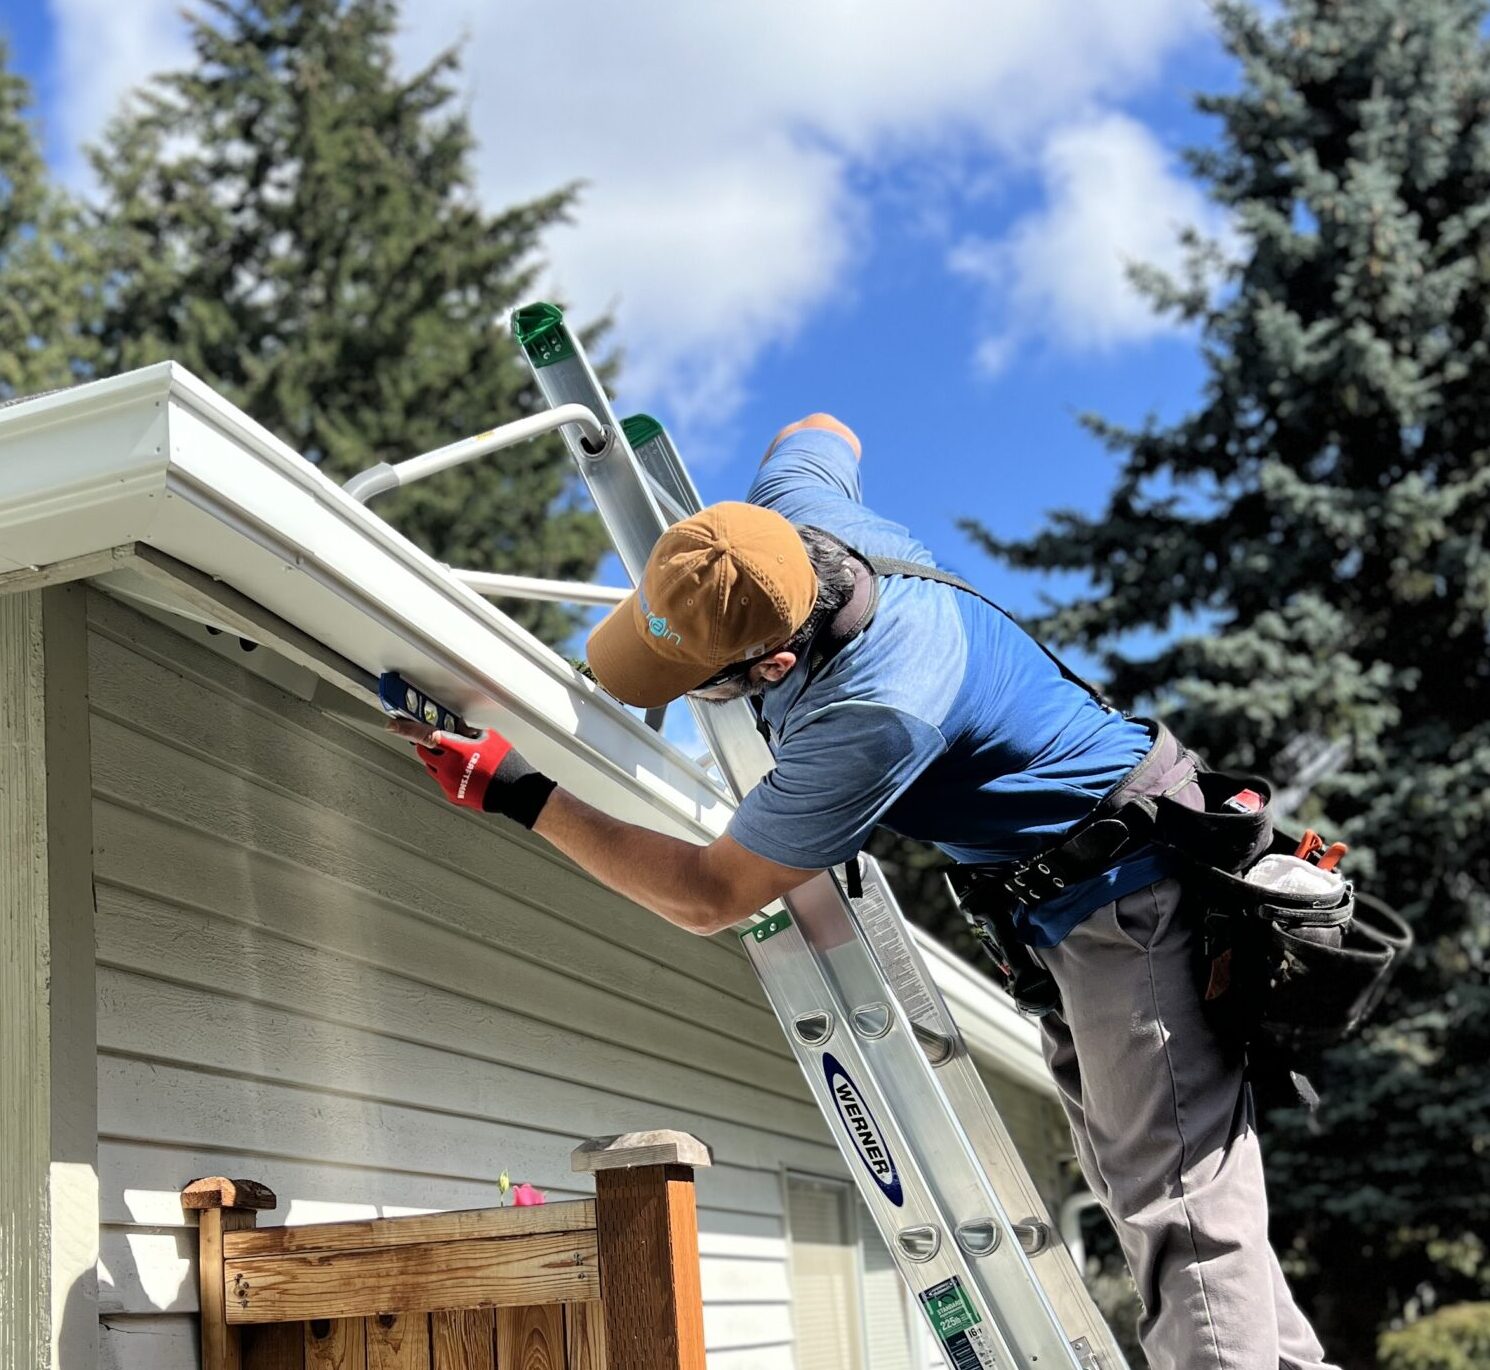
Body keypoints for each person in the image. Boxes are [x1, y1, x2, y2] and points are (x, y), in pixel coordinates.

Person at [393, 412, 1336, 1370]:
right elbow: (819, 429)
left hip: (1131, 901)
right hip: (1060, 903)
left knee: (1176, 1209)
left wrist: (522, 795)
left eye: (698, 684)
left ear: (774, 664)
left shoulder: (875, 712)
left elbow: (709, 893)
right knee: (1161, 1195)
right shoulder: (789, 518)